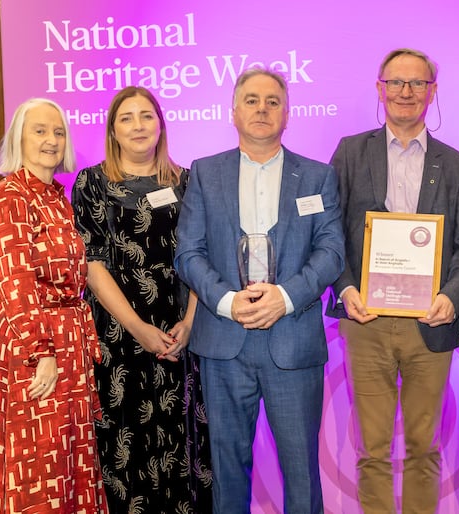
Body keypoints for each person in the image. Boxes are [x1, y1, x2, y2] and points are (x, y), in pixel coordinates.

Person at [174, 68, 345, 514]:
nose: (262, 109)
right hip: (223, 343)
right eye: (251, 100)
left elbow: (331, 253)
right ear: (233, 111)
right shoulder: (205, 174)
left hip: (293, 341)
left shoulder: (318, 176)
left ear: (288, 113)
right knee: (227, 471)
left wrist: (284, 298)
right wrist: (227, 302)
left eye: (272, 101)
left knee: (302, 472)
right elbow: (188, 253)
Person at [328, 48, 459, 513]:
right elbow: (329, 233)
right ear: (380, 89)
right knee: (371, 450)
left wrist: (452, 298)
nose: (406, 92)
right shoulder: (351, 152)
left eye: (417, 84)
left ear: (433, 92)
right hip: (365, 320)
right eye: (396, 83)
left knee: (423, 448)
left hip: (429, 324)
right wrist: (346, 286)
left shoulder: (458, 167)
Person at [70, 86, 212, 513]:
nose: (137, 125)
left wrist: (189, 323)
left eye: (146, 116)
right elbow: (92, 264)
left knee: (182, 446)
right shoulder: (91, 182)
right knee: (124, 447)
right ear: (113, 130)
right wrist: (138, 329)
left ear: (161, 125)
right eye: (127, 118)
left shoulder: (189, 181)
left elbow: (202, 257)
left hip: (180, 336)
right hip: (118, 338)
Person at [0, 98, 108, 513]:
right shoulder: (9, 196)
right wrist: (43, 352)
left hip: (66, 342)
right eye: (39, 130)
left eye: (58, 131)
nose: (51, 140)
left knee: (68, 458)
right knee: (36, 462)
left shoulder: (57, 197)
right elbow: (16, 282)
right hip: (31, 346)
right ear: (19, 136)